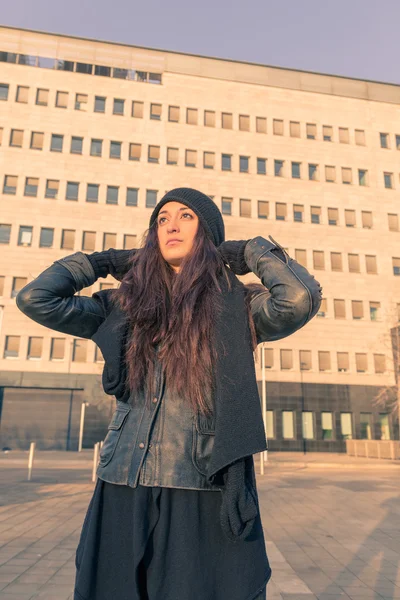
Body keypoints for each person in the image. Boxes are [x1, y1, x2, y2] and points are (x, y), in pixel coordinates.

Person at [16, 187, 322, 600]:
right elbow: (36, 298)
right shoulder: (122, 306)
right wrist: (100, 263)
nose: (171, 225)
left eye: (186, 216)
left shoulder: (236, 306)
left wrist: (251, 251)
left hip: (198, 485)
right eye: (162, 219)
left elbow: (298, 299)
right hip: (122, 483)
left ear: (207, 235)